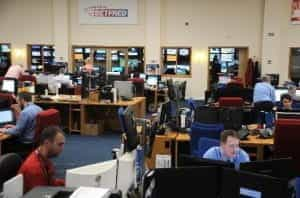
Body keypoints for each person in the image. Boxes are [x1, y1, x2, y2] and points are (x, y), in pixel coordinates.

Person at [18, 126, 65, 193]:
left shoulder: (43, 157)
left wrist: (69, 183)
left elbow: (51, 182)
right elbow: (40, 194)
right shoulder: (34, 169)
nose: (62, 148)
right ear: (47, 143)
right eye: (59, 145)